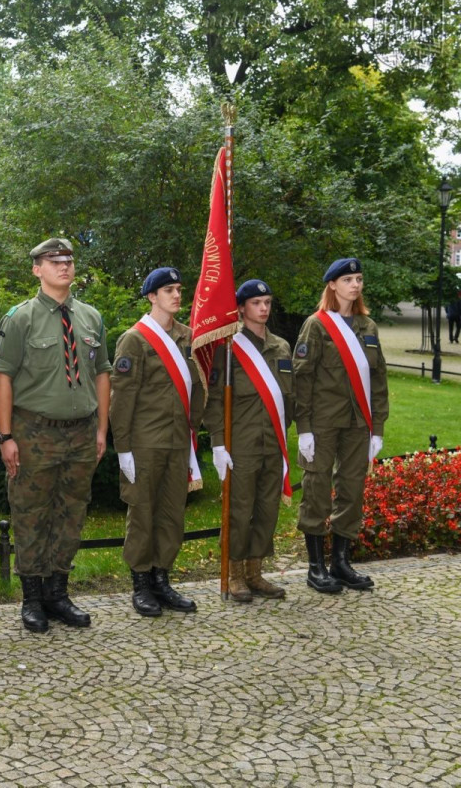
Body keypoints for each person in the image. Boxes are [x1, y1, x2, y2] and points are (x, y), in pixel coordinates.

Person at [0, 238, 111, 633]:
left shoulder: (91, 317)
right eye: (53, 260)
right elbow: (3, 377)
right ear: (36, 270)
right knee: (30, 513)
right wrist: (5, 436)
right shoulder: (21, 319)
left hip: (80, 433)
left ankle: (58, 593)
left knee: (71, 513)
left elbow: (102, 373)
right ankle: (32, 599)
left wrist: (101, 429)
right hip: (34, 432)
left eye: (68, 260)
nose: (63, 265)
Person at [110, 267, 205, 617]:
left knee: (170, 514)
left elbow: (198, 387)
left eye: (179, 289)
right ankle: (141, 584)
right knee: (142, 513)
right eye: (168, 290)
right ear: (152, 296)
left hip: (179, 442)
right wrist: (123, 449)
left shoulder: (188, 337)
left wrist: (195, 429)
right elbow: (122, 399)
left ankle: (163, 579)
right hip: (145, 443)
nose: (177, 295)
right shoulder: (135, 339)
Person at [294, 257, 388, 592]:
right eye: (349, 280)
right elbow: (301, 380)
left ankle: (341, 563)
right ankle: (316, 567)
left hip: (357, 423)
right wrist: (303, 427)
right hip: (322, 423)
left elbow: (379, 381)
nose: (356, 285)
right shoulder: (316, 326)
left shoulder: (368, 327)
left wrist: (377, 427)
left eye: (360, 279)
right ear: (333, 285)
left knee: (351, 489)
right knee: (317, 490)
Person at [205, 280, 292, 602]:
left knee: (267, 510)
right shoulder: (228, 349)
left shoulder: (281, 347)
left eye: (268, 301)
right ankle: (235, 573)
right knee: (240, 512)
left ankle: (256, 572)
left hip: (273, 443)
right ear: (241, 308)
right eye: (257, 303)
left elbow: (289, 397)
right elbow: (214, 401)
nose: (264, 308)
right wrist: (217, 443)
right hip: (240, 444)